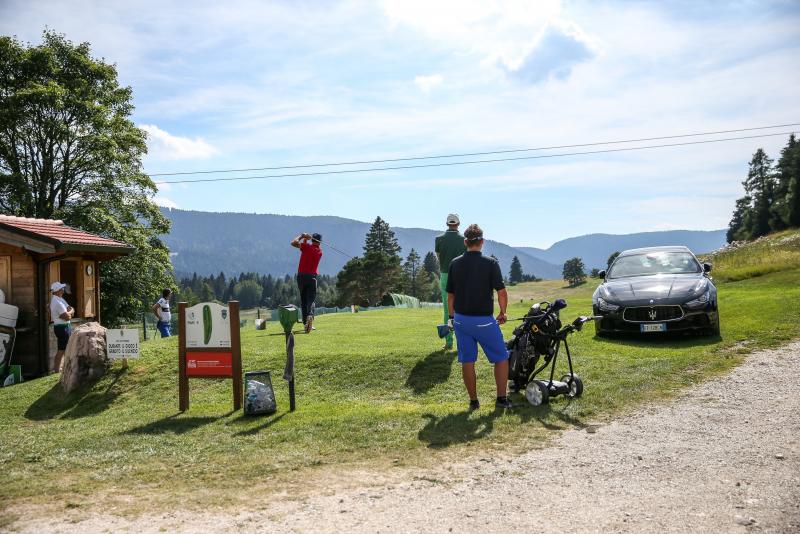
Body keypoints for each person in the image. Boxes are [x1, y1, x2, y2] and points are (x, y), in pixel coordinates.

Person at [446, 223, 513, 410]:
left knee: (467, 360)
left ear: (465, 242)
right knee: (501, 358)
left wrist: (452, 318)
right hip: (484, 321)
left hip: (461, 320)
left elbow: (450, 296)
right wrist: (503, 312)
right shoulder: (490, 263)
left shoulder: (454, 263)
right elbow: (501, 292)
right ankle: (501, 400)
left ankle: (474, 402)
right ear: (482, 242)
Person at [434, 214, 466, 350]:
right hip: (461, 275)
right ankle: (462, 343)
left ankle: (449, 342)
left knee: (448, 309)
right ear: (458, 224)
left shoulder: (439, 239)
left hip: (445, 274)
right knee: (462, 308)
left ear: (447, 224)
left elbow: (438, 258)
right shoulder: (464, 240)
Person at [291, 232, 323, 333]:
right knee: (311, 300)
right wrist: (306, 239)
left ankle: (305, 323)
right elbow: (306, 248)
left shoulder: (306, 247)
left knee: (303, 301)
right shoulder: (319, 252)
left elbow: (293, 243)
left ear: (312, 240)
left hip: (301, 277)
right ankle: (310, 315)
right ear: (320, 242)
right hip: (312, 277)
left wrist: (302, 236)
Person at [50, 281, 74, 373]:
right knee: (62, 349)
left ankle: (62, 368)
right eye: (61, 288)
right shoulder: (56, 302)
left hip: (65, 326)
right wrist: (70, 312)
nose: (63, 290)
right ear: (57, 291)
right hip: (62, 328)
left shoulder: (60, 299)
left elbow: (70, 309)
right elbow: (67, 316)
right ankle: (57, 370)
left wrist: (70, 312)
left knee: (65, 348)